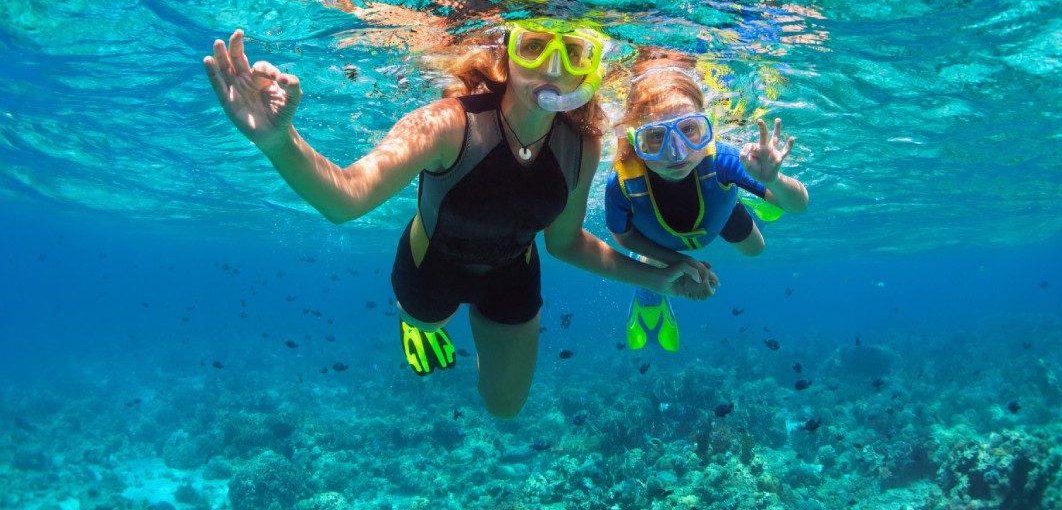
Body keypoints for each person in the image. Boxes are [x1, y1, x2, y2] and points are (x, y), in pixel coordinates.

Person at [203, 22, 717, 418]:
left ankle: (464, 342)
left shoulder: (582, 144)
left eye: (573, 53)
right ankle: (417, 323)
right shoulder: (448, 122)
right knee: (426, 321)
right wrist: (278, 141)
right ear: (506, 55)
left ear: (588, 68)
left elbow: (565, 244)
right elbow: (347, 199)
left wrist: (660, 277)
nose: (553, 68)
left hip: (513, 272)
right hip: (432, 266)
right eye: (534, 47)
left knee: (505, 408)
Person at [605, 58, 809, 351]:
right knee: (655, 263)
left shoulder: (723, 160)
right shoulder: (622, 183)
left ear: (707, 127)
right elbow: (622, 236)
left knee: (756, 249)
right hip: (657, 238)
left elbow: (799, 205)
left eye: (689, 130)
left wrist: (775, 181)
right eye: (656, 137)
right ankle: (648, 291)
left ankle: (757, 195)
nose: (676, 154)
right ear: (634, 140)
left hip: (719, 213)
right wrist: (678, 262)